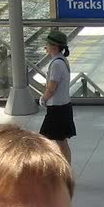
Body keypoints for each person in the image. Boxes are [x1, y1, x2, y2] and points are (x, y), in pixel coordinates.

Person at [39, 31, 76, 164]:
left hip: (56, 108)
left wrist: (43, 99)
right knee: (61, 141)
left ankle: (50, 166)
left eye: (48, 44)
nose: (46, 46)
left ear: (54, 47)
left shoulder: (56, 64)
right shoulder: (62, 60)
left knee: (44, 140)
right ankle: (65, 167)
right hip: (64, 106)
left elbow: (51, 88)